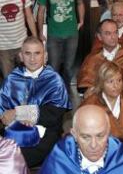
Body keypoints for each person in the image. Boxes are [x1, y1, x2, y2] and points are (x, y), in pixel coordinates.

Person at [0, 37, 71, 167]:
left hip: (45, 133)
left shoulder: (54, 80)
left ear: (45, 56)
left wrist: (20, 114)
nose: (32, 59)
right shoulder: (11, 79)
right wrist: (7, 118)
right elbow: (3, 110)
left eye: (37, 53)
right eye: (28, 53)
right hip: (14, 132)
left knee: (19, 158)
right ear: (21, 56)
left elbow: (54, 115)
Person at [81, 62, 123, 158]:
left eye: (119, 80)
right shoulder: (90, 104)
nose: (116, 85)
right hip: (98, 155)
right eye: (110, 81)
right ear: (101, 83)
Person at [36, 0, 85, 89]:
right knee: (54, 67)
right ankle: (54, 93)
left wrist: (81, 20)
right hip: (53, 35)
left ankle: (66, 92)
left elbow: (80, 3)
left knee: (69, 68)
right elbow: (40, 12)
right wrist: (40, 32)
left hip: (72, 34)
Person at [77, 19, 123, 94]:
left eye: (115, 32)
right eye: (108, 33)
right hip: (97, 100)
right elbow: (85, 85)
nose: (113, 37)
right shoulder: (92, 58)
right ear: (99, 36)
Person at [0, 0, 37, 79]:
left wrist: (35, 38)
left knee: (27, 78)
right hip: (3, 48)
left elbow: (29, 17)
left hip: (22, 44)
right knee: (9, 80)